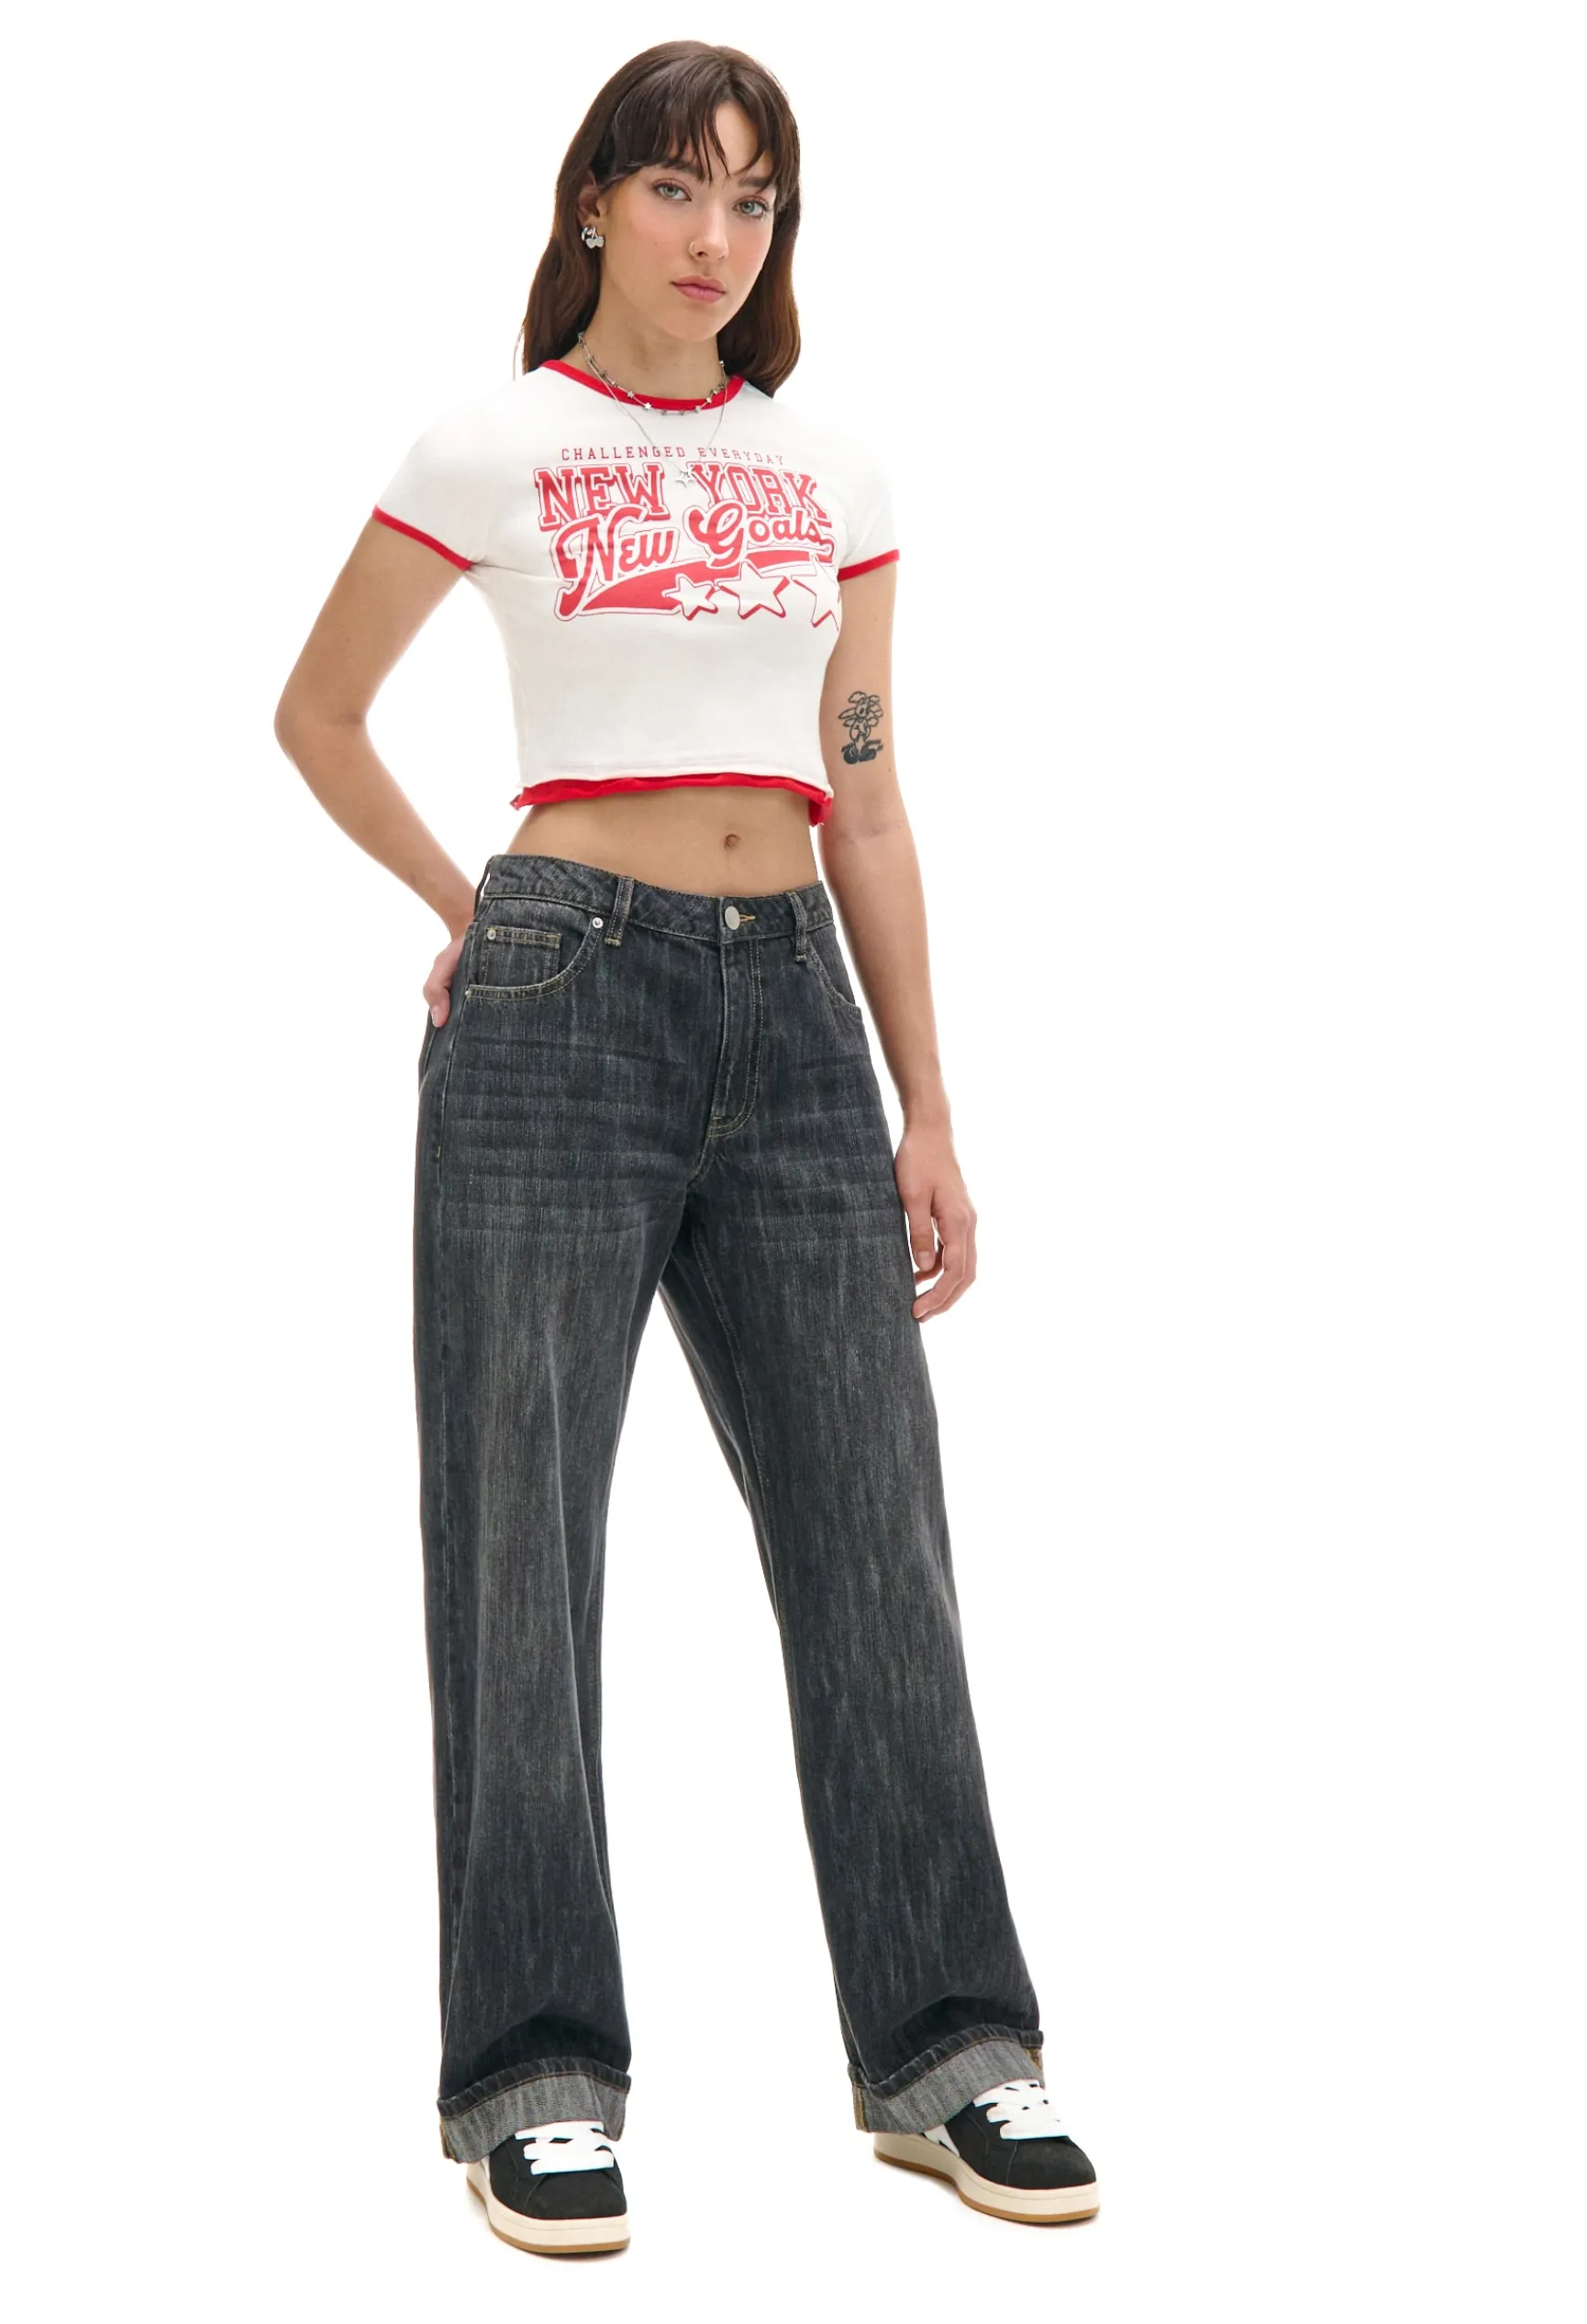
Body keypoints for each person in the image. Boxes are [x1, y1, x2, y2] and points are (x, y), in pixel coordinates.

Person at [273, 39, 1099, 2258]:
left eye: (753, 198)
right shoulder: (490, 441)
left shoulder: (831, 467)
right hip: (563, 990)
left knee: (873, 1535)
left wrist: (927, 1101)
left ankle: (945, 2048)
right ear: (592, 206)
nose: (713, 234)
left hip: (797, 1012)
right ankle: (532, 2076)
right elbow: (315, 714)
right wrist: (467, 909)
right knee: (519, 1540)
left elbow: (870, 790)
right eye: (672, 187)